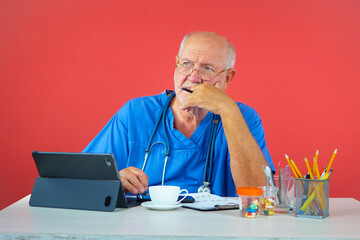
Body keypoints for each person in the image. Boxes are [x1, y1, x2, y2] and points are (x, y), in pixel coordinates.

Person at [83, 31, 275, 197]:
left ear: (227, 78)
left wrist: (228, 109)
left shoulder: (244, 118)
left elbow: (261, 193)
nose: (192, 77)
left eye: (207, 68)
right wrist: (115, 181)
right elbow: (81, 178)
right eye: (186, 64)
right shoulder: (136, 113)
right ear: (176, 64)